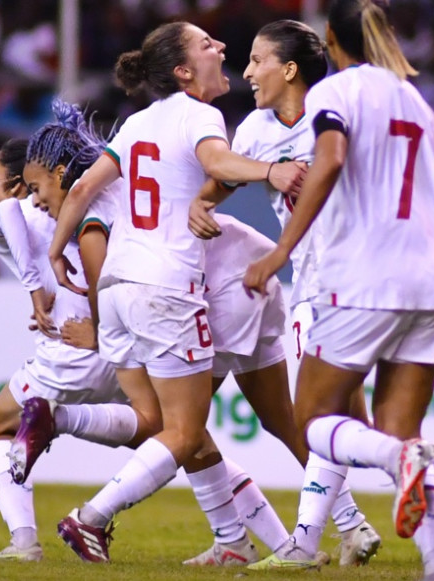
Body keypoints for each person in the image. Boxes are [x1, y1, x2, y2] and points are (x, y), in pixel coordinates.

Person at [43, 21, 306, 564]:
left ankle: (232, 544)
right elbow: (216, 163)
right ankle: (89, 516)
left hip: (118, 290)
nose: (223, 48)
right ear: (184, 71)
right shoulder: (199, 114)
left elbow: (85, 188)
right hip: (165, 289)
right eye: (208, 44)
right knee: (184, 432)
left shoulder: (137, 123)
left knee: (167, 426)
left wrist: (55, 252)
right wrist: (272, 170)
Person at [243, 1, 434, 580]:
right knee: (403, 427)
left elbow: (332, 157)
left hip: (366, 275)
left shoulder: (333, 94)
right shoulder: (417, 102)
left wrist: (282, 249)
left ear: (330, 40)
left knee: (313, 417)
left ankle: (401, 460)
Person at [189, 19, 382, 567]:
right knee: (339, 423)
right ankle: (366, 512)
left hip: (354, 281)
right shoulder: (254, 128)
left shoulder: (337, 110)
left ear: (289, 69)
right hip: (313, 284)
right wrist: (203, 201)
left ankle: (322, 533)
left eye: (257, 60)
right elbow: (224, 179)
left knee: (316, 416)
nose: (247, 71)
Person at [0, 138, 139, 562]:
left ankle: (24, 542)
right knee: (175, 436)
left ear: (18, 183)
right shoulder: (79, 202)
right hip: (115, 336)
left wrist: (35, 290)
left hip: (69, 345)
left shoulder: (18, 208)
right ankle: (233, 534)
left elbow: (7, 211)